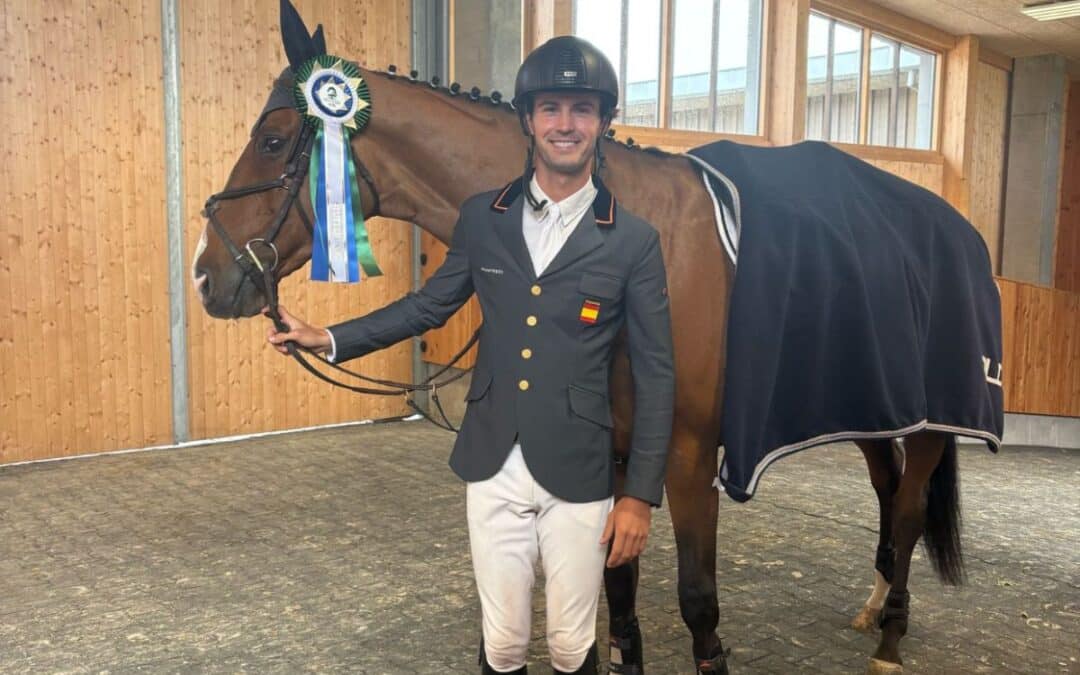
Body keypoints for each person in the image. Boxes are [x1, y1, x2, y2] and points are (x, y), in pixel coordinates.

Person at [267, 36, 675, 675]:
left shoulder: (633, 240)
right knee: (504, 642)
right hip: (493, 462)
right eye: (550, 108)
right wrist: (330, 337)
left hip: (580, 469)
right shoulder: (484, 217)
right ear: (528, 120)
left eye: (582, 109)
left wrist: (640, 497)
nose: (565, 124)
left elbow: (656, 375)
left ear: (602, 122)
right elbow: (428, 307)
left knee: (570, 645)